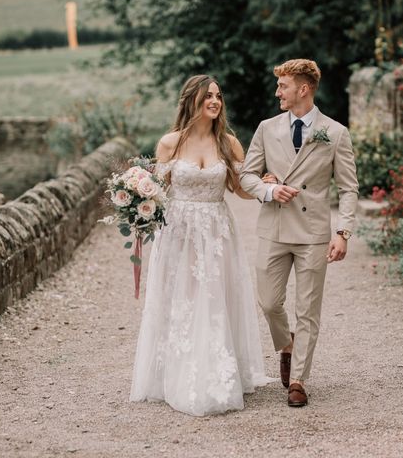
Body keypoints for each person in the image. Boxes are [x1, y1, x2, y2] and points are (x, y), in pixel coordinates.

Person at [129, 75, 274, 416]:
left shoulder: (228, 143)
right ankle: (176, 373)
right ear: (191, 100)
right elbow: (154, 189)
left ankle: (219, 371)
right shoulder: (170, 143)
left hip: (217, 230)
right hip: (179, 232)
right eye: (208, 95)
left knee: (214, 297)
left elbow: (240, 189)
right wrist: (135, 201)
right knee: (184, 298)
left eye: (219, 96)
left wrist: (263, 182)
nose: (215, 101)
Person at [240, 59, 359, 407]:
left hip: (312, 233)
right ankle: (286, 345)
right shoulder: (266, 128)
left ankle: (299, 380)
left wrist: (343, 232)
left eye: (283, 86)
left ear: (303, 89)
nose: (278, 91)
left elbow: (349, 188)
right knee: (269, 301)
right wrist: (268, 190)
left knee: (308, 309)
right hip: (274, 227)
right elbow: (247, 176)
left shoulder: (335, 133)